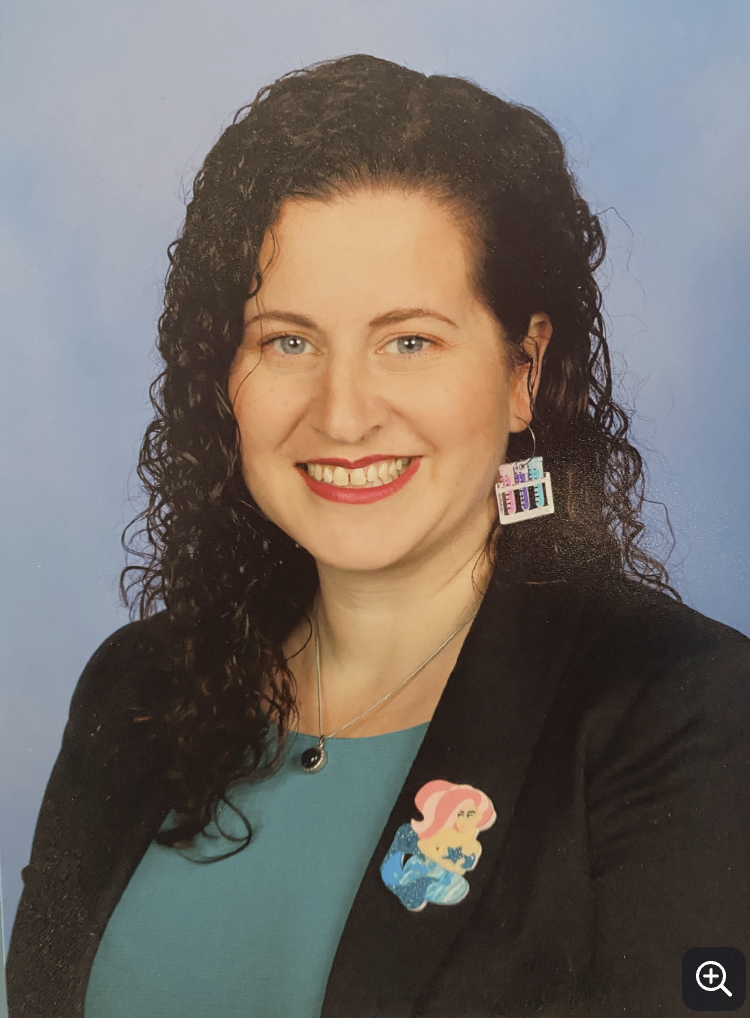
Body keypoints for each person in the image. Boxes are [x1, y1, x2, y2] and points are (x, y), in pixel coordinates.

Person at [6, 53, 750, 1018]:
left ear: (524, 371)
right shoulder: (135, 688)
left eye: (409, 341)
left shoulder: (683, 713)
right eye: (288, 341)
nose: (343, 414)